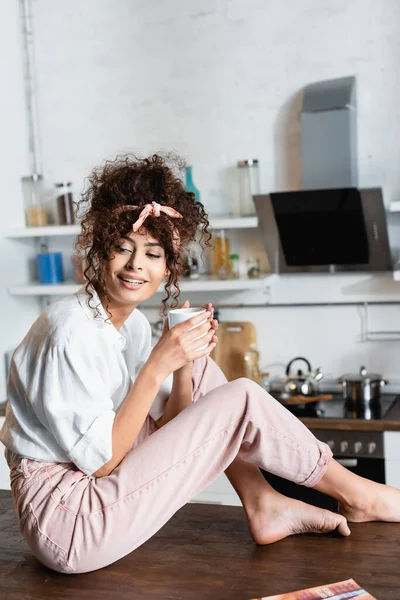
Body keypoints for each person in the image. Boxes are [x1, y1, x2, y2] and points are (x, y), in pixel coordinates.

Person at [1, 153, 399, 575]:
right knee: (241, 397)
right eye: (122, 248)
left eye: (153, 254)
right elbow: (102, 462)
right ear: (99, 250)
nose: (137, 265)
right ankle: (359, 495)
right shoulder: (69, 330)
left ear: (169, 266)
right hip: (68, 521)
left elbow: (169, 423)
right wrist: (158, 364)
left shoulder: (131, 326)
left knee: (207, 374)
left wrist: (185, 365)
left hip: (95, 488)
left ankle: (262, 503)